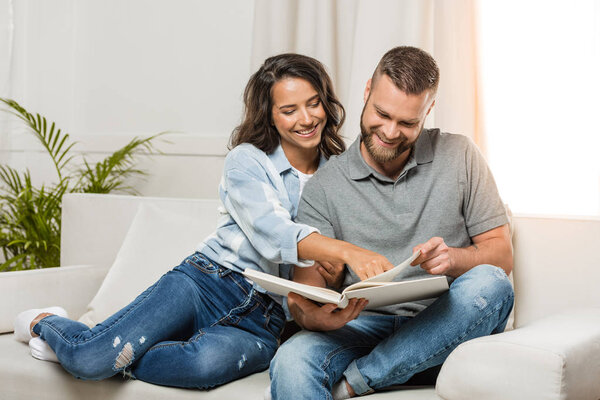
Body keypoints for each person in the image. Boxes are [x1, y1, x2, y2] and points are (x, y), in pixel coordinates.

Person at [12, 53, 396, 389]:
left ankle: (110, 350)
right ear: (270, 115)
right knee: (90, 361)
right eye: (289, 109)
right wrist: (348, 252)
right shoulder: (247, 161)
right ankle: (48, 323)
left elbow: (318, 271)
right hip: (206, 282)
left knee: (199, 367)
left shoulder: (340, 174)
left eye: (314, 104)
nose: (307, 118)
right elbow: (273, 234)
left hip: (266, 321)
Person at [268, 46, 515, 399]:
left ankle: (358, 381)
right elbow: (306, 298)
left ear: (428, 110)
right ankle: (378, 369)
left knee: (491, 283)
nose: (389, 131)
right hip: (363, 326)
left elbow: (501, 257)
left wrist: (454, 259)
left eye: (407, 122)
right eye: (381, 114)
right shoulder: (325, 186)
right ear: (367, 91)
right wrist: (316, 316)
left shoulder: (460, 155)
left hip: (448, 326)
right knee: (292, 360)